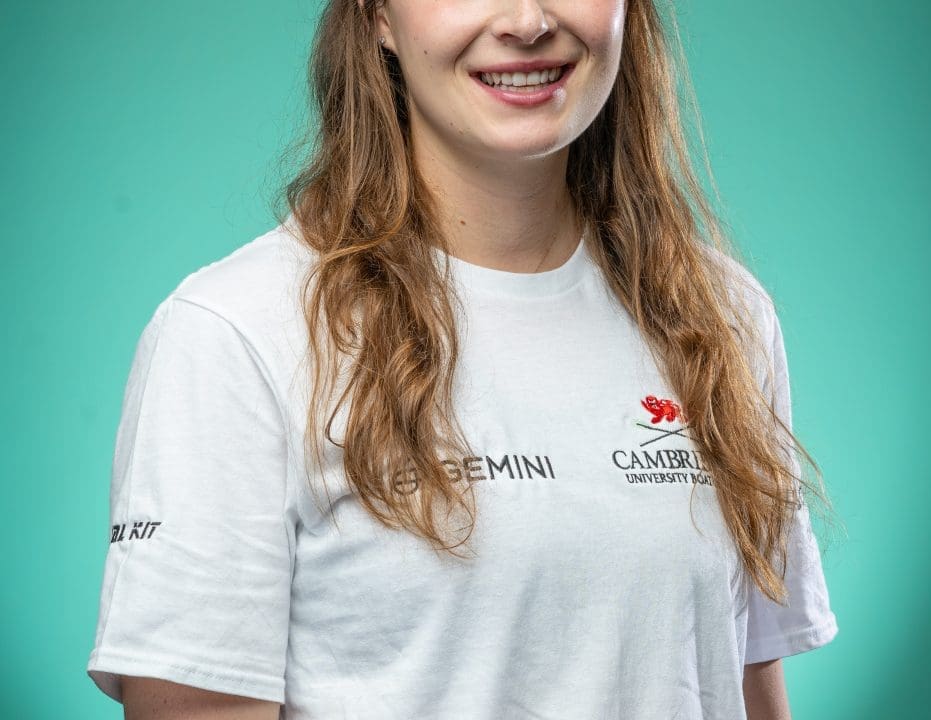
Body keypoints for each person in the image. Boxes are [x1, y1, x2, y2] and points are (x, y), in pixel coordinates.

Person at [86, 1, 840, 718]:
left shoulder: (722, 317)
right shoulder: (235, 335)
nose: (527, 22)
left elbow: (739, 683)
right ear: (376, 15)